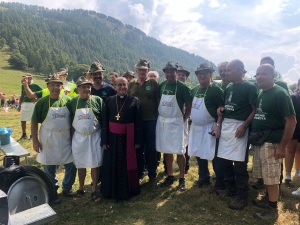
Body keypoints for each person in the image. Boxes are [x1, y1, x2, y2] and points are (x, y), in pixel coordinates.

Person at [251, 64, 296, 220]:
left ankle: (272, 210)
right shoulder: (261, 92)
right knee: (265, 175)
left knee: (271, 177)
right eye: (257, 74)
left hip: (273, 142)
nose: (259, 77)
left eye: (263, 74)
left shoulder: (280, 94)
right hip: (261, 140)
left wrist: (282, 147)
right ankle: (267, 200)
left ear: (273, 75)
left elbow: (291, 121)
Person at [217, 59, 257, 210]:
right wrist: (219, 118)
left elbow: (254, 109)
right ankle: (231, 187)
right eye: (226, 70)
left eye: (229, 70)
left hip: (240, 126)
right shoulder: (228, 87)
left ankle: (242, 195)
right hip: (227, 126)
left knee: (240, 164)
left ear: (240, 70)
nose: (226, 73)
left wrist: (244, 125)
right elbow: (224, 106)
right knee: (224, 160)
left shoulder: (249, 87)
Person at [31, 74, 77, 202]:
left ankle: (67, 187)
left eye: (58, 85)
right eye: (53, 85)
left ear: (62, 87)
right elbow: (34, 122)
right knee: (49, 165)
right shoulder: (42, 102)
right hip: (48, 138)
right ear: (48, 86)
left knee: (71, 164)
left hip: (66, 137)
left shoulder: (68, 101)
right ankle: (52, 190)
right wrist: (35, 141)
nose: (56, 87)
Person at [101, 77, 142, 200]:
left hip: (128, 139)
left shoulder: (134, 100)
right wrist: (104, 140)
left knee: (127, 163)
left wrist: (138, 140)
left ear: (127, 86)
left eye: (124, 84)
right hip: (112, 138)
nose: (121, 87)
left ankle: (128, 190)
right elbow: (104, 122)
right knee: (111, 164)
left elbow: (138, 122)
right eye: (119, 85)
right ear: (114, 86)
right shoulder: (109, 100)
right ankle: (110, 191)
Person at [252, 56, 289, 189]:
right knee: (264, 165)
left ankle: (275, 187)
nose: (260, 75)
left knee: (273, 166)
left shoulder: (280, 88)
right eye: (259, 72)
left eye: (265, 70)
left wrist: (282, 145)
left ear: (273, 71)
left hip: (274, 136)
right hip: (261, 136)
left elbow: (289, 117)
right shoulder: (261, 89)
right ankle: (264, 185)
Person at [156, 61, 192, 191]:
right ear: (164, 73)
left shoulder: (182, 87)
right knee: (167, 149)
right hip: (164, 122)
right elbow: (159, 101)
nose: (170, 74)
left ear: (176, 73)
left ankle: (182, 178)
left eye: (172, 71)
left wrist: (183, 119)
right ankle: (170, 175)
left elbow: (189, 105)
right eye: (167, 71)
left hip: (177, 121)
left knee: (180, 150)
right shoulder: (162, 86)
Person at [189, 63, 225, 191]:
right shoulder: (194, 90)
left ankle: (220, 179)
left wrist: (218, 125)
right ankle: (203, 177)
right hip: (197, 127)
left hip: (211, 127)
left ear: (211, 75)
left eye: (204, 73)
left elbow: (222, 109)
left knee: (214, 154)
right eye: (199, 73)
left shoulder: (215, 90)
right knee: (199, 152)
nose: (201, 75)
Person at [67, 76, 104, 202]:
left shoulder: (98, 100)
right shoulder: (72, 102)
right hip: (79, 138)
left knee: (95, 164)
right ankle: (81, 188)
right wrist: (71, 139)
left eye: (88, 87)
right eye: (83, 87)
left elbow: (103, 120)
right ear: (78, 89)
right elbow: (70, 122)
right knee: (80, 163)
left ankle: (94, 190)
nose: (86, 89)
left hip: (94, 137)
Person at [128, 58, 160, 186]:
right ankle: (139, 173)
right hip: (136, 123)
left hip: (151, 120)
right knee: (137, 148)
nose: (142, 72)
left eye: (144, 70)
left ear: (148, 70)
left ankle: (152, 175)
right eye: (140, 69)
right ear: (136, 70)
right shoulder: (131, 84)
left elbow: (158, 100)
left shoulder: (153, 83)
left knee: (151, 149)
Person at [19, 73, 43, 140]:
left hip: (33, 104)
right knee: (23, 119)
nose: (24, 79)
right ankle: (24, 134)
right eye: (23, 77)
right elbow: (22, 95)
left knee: (33, 119)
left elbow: (43, 93)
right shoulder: (23, 85)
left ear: (30, 78)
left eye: (25, 78)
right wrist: (19, 105)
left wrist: (37, 99)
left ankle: (33, 135)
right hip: (25, 103)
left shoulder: (35, 85)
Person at [176, 66, 191, 174]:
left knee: (184, 143)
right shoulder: (171, 86)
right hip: (172, 120)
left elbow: (189, 107)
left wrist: (184, 118)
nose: (181, 76)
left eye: (183, 75)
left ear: (186, 78)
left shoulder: (187, 89)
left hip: (183, 119)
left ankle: (186, 165)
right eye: (179, 74)